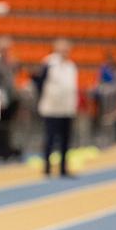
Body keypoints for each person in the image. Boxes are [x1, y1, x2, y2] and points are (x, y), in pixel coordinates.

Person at [35, 39, 78, 177]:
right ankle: (47, 167)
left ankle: (63, 168)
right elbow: (40, 83)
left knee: (66, 140)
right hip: (52, 108)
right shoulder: (49, 63)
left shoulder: (71, 66)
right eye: (62, 48)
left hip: (67, 109)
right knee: (50, 138)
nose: (65, 51)